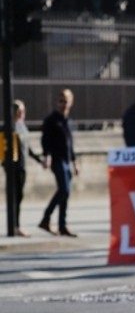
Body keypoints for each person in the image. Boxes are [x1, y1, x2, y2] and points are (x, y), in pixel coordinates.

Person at [39, 89, 79, 237]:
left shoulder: (68, 121)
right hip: (57, 159)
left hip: (67, 159)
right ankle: (46, 218)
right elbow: (45, 140)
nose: (63, 104)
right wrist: (46, 156)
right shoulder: (51, 120)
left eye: (66, 101)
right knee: (64, 189)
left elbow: (70, 144)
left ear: (71, 102)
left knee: (66, 194)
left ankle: (62, 225)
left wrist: (75, 162)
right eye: (61, 100)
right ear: (57, 102)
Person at [6, 100, 44, 237]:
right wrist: (6, 164)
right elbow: (2, 149)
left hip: (22, 165)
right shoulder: (9, 127)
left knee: (19, 196)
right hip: (14, 167)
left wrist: (39, 160)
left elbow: (27, 148)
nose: (22, 114)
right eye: (20, 111)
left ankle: (16, 225)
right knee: (15, 197)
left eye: (23, 111)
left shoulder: (21, 126)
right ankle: (15, 226)